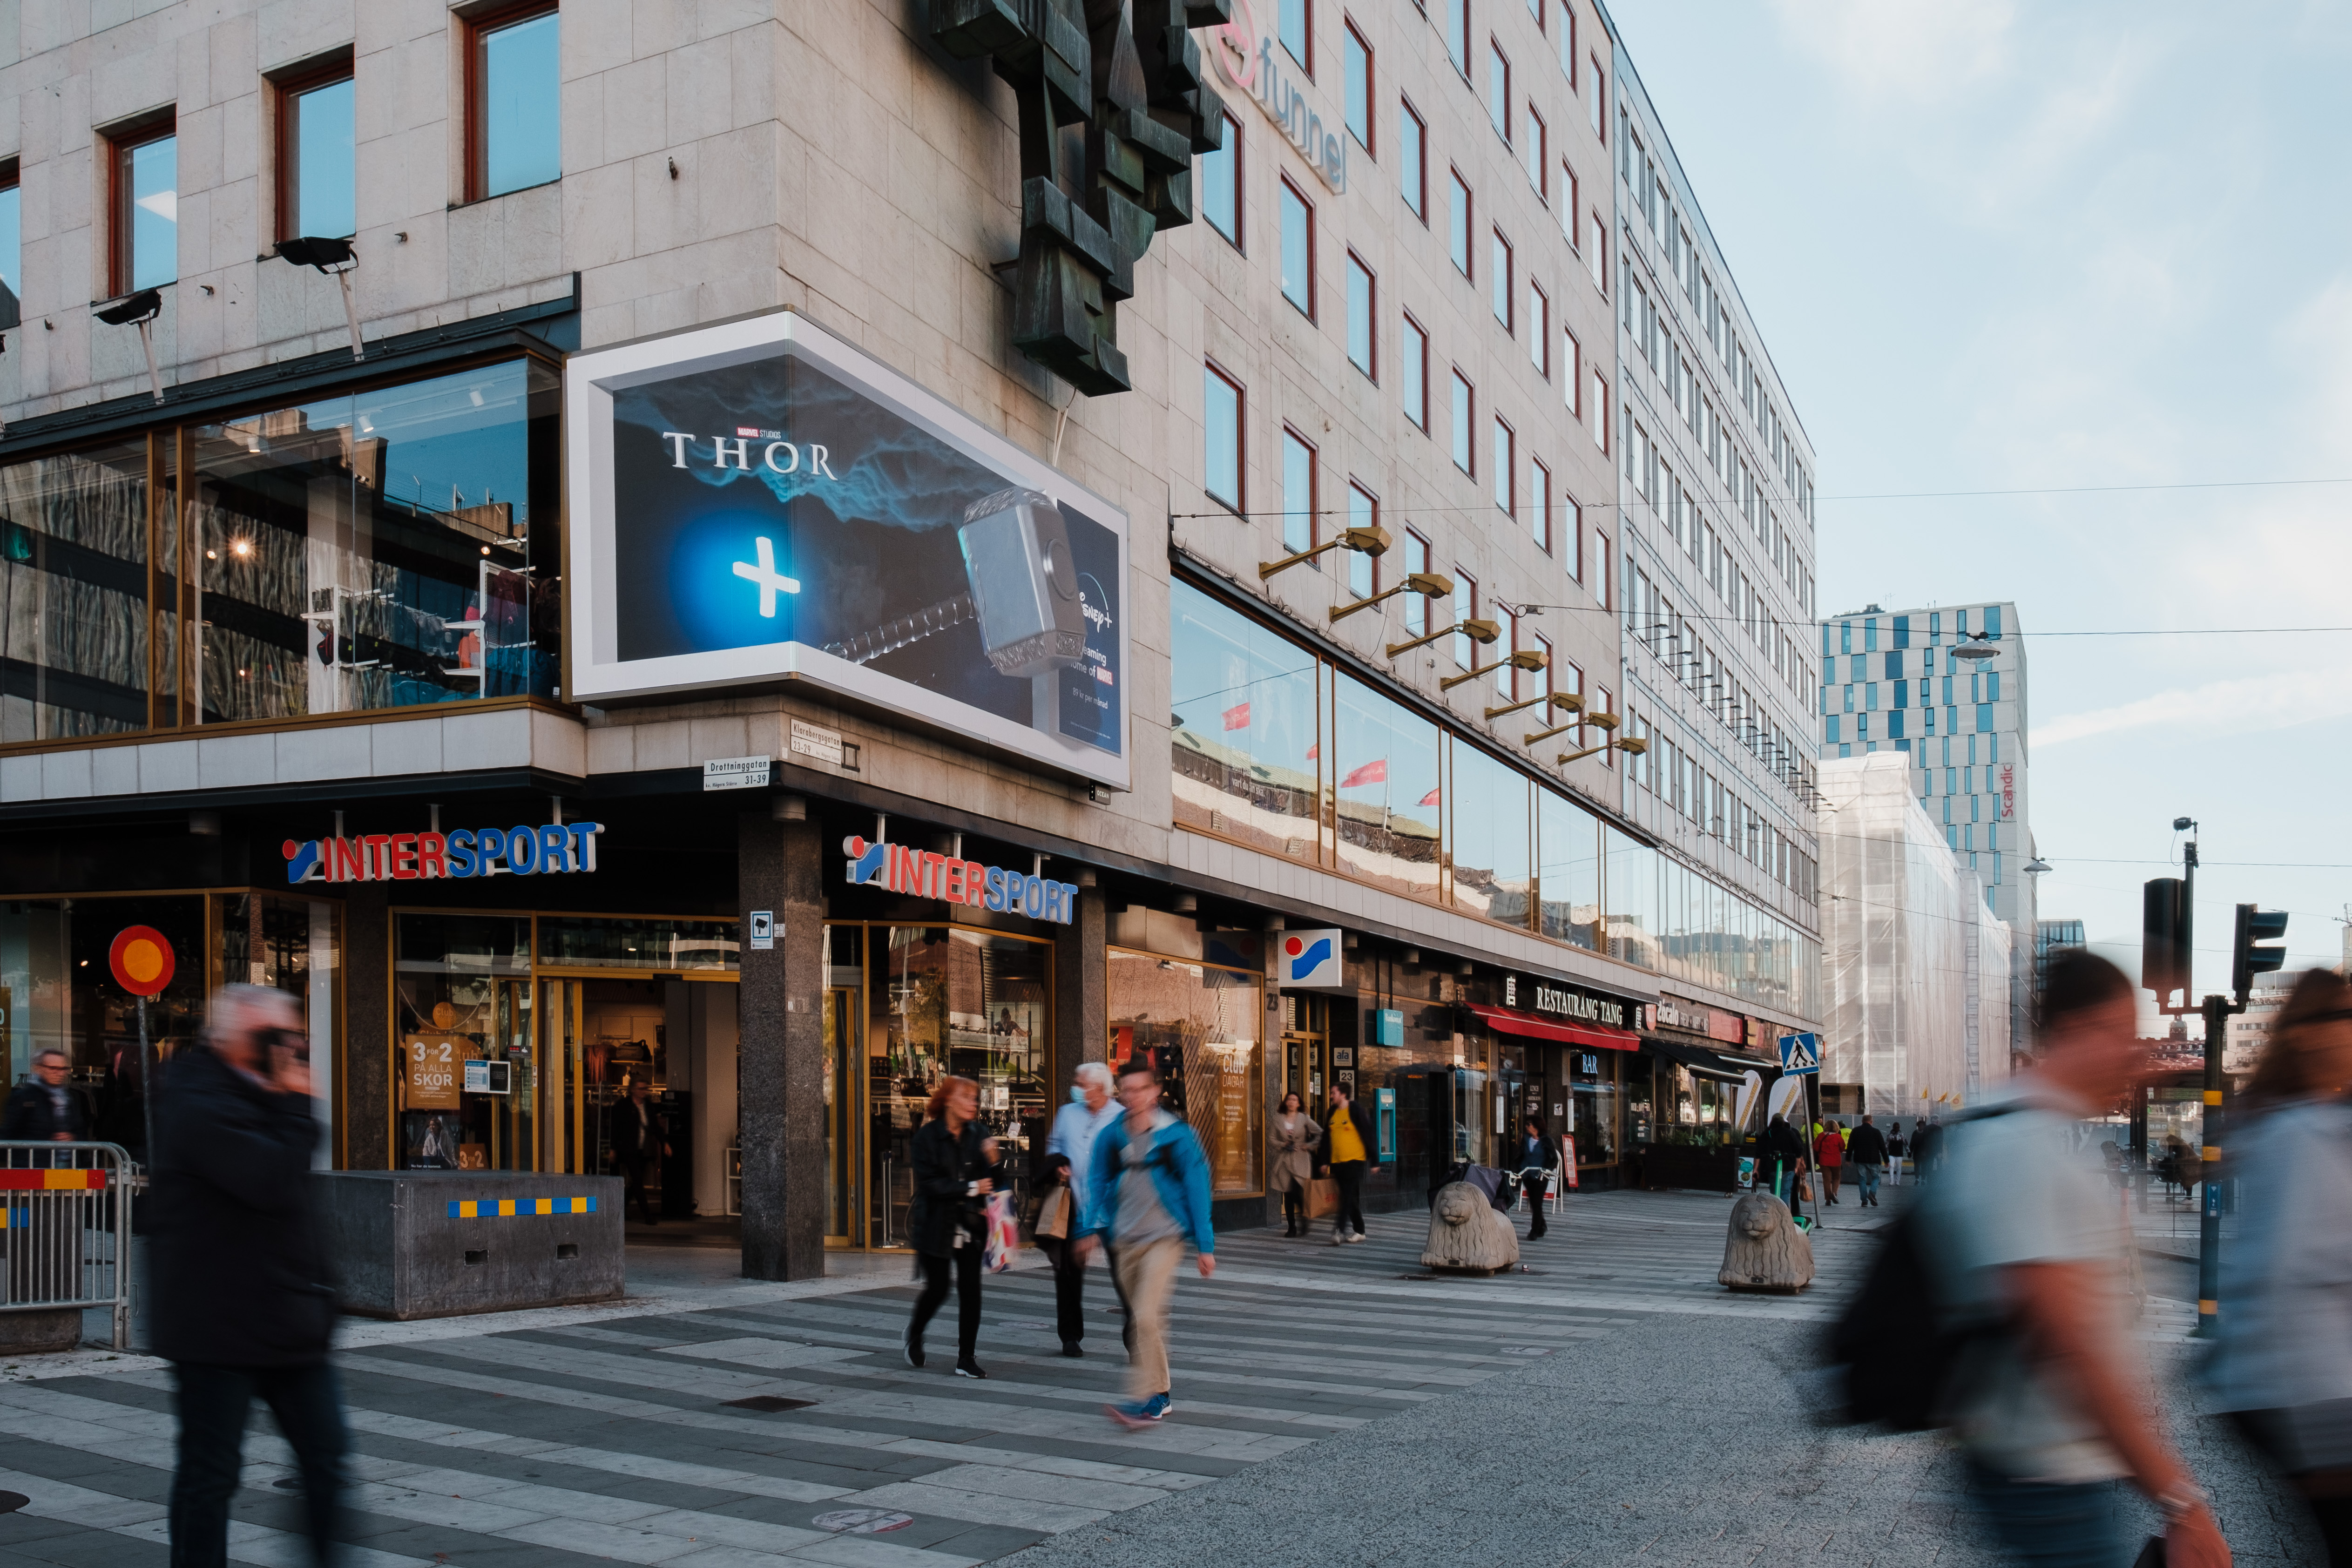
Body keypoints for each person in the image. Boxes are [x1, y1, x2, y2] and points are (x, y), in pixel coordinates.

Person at [1928, 950, 2229, 1568]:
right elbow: (2068, 1346)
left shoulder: (2034, 1134)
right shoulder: (2020, 1148)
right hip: (2046, 1478)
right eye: (2116, 1033)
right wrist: (2178, 1500)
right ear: (2069, 1032)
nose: (2129, 1052)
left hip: (2062, 1467)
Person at [152, 984, 345, 1568]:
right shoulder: (197, 1098)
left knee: (326, 1458)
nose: (288, 1048)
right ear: (233, 1035)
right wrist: (295, 1107)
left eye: (294, 1036)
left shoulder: (261, 1092)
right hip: (216, 1326)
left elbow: (295, 1207)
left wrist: (323, 1293)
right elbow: (267, 1180)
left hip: (288, 1319)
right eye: (274, 1036)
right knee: (212, 1473)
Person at [2209, 967, 2352, 1563]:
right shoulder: (2299, 1134)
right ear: (2309, 1034)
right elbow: (2276, 1278)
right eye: (2347, 1018)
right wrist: (2318, 1440)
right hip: (2313, 1395)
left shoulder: (2316, 1125)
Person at [1077, 1060, 1215, 1428]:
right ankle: (1162, 1393)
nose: (1133, 1096)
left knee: (1145, 1315)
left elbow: (1197, 1185)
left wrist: (1206, 1245)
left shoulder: (1176, 1135)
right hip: (1124, 1240)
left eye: (1141, 1089)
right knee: (1141, 1320)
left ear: (1155, 1092)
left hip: (1164, 1239)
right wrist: (1089, 1227)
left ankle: (1143, 1399)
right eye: (1128, 1090)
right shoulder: (1113, 1134)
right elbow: (1098, 1179)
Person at [906, 1075, 1003, 1379]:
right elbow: (931, 1185)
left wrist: (995, 1160)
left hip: (971, 1224)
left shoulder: (979, 1134)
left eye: (975, 1098)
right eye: (967, 1097)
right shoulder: (926, 1138)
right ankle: (915, 1333)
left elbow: (997, 1181)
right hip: (936, 1223)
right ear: (949, 1099)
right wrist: (971, 1188)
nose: (973, 1104)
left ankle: (966, 1357)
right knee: (938, 1288)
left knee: (971, 1290)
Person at [1045, 1061, 1124, 1354]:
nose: (1077, 1089)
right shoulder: (1067, 1114)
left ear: (1101, 1088)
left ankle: (1135, 1337)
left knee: (1124, 1274)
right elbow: (1053, 1145)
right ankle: (1070, 1335)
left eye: (1083, 1084)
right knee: (1068, 1273)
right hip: (1074, 1204)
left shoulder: (1121, 1117)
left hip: (1113, 1210)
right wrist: (1058, 1163)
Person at [1029, 1152, 1085, 1356]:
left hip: (1090, 1219)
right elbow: (1039, 1177)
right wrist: (1059, 1170)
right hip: (1068, 1227)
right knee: (1068, 1279)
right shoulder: (1068, 1126)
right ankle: (1070, 1337)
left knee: (1075, 1282)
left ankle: (1073, 1335)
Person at [1316, 1081, 1373, 1245]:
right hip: (1338, 1161)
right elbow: (1326, 1138)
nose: (1331, 1096)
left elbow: (1368, 1133)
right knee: (1348, 1197)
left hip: (1355, 1160)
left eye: (1333, 1093)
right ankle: (1360, 1230)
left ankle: (1339, 1230)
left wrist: (1374, 1160)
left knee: (1346, 1196)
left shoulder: (1355, 1109)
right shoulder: (1332, 1111)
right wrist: (1324, 1161)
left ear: (1343, 1094)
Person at [610, 1077, 669, 1226]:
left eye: (646, 1088)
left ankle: (621, 1210)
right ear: (632, 1090)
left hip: (643, 1149)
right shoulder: (623, 1106)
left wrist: (664, 1143)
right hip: (628, 1149)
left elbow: (655, 1127)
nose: (644, 1092)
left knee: (636, 1182)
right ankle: (647, 1214)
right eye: (641, 1088)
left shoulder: (648, 1106)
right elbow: (615, 1129)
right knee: (637, 1181)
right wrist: (613, 1148)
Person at [2, 1048, 88, 1144]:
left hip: (66, 1158)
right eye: (53, 1068)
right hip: (35, 1158)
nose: (59, 1073)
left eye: (63, 1069)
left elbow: (81, 1130)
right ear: (39, 1068)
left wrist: (73, 1138)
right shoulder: (24, 1097)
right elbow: (9, 1135)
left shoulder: (70, 1097)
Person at [1269, 1092, 1322, 1238]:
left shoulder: (1304, 1118)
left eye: (1295, 1100)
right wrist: (1282, 1144)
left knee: (1298, 1194)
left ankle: (1305, 1220)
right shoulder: (1278, 1119)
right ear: (1286, 1102)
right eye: (1289, 1099)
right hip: (1284, 1161)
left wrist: (1309, 1145)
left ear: (1299, 1104)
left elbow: (1320, 1133)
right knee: (1288, 1194)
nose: (1292, 1102)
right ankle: (1292, 1227)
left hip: (1300, 1160)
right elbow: (1271, 1139)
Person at [1514, 1116, 1561, 1239]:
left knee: (1537, 1203)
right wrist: (1518, 1169)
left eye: (1529, 1124)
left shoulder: (1546, 1141)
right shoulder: (1526, 1139)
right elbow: (1521, 1154)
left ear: (1536, 1126)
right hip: (1527, 1175)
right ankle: (1542, 1226)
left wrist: (1546, 1171)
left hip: (1540, 1177)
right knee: (1534, 1203)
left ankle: (1534, 1231)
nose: (1527, 1127)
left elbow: (1554, 1159)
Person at [1764, 1111, 1808, 1214]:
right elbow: (1799, 1149)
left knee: (1776, 1190)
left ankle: (1778, 1212)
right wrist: (1798, 1165)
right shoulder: (1793, 1132)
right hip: (1790, 1166)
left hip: (1776, 1166)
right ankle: (1789, 1212)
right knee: (1789, 1191)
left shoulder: (1770, 1133)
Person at [1846, 1114, 1887, 1209]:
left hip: (1860, 1159)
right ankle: (1872, 1193)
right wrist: (1886, 1160)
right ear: (1871, 1122)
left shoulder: (1855, 1131)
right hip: (1874, 1159)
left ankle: (1864, 1201)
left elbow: (1850, 1146)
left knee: (1862, 1180)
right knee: (1876, 1177)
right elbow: (1882, 1147)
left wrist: (1848, 1159)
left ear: (1862, 1121)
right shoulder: (1876, 1132)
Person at [1813, 1117, 1846, 1205]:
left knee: (1826, 1180)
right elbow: (1843, 1148)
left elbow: (1816, 1148)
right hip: (1836, 1160)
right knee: (1836, 1178)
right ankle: (1834, 1194)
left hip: (1824, 1161)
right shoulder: (1838, 1137)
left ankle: (1828, 1200)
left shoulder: (1821, 1136)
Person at [1886, 1121, 1907, 1187]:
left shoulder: (1902, 1135)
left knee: (1899, 1168)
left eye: (1898, 1127)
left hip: (1899, 1154)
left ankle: (1897, 1181)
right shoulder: (1890, 1135)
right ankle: (1892, 1181)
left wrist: (1909, 1151)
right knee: (1892, 1167)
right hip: (1892, 1153)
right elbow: (1887, 1144)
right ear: (1893, 1128)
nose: (1897, 1128)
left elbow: (1905, 1144)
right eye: (1896, 1127)